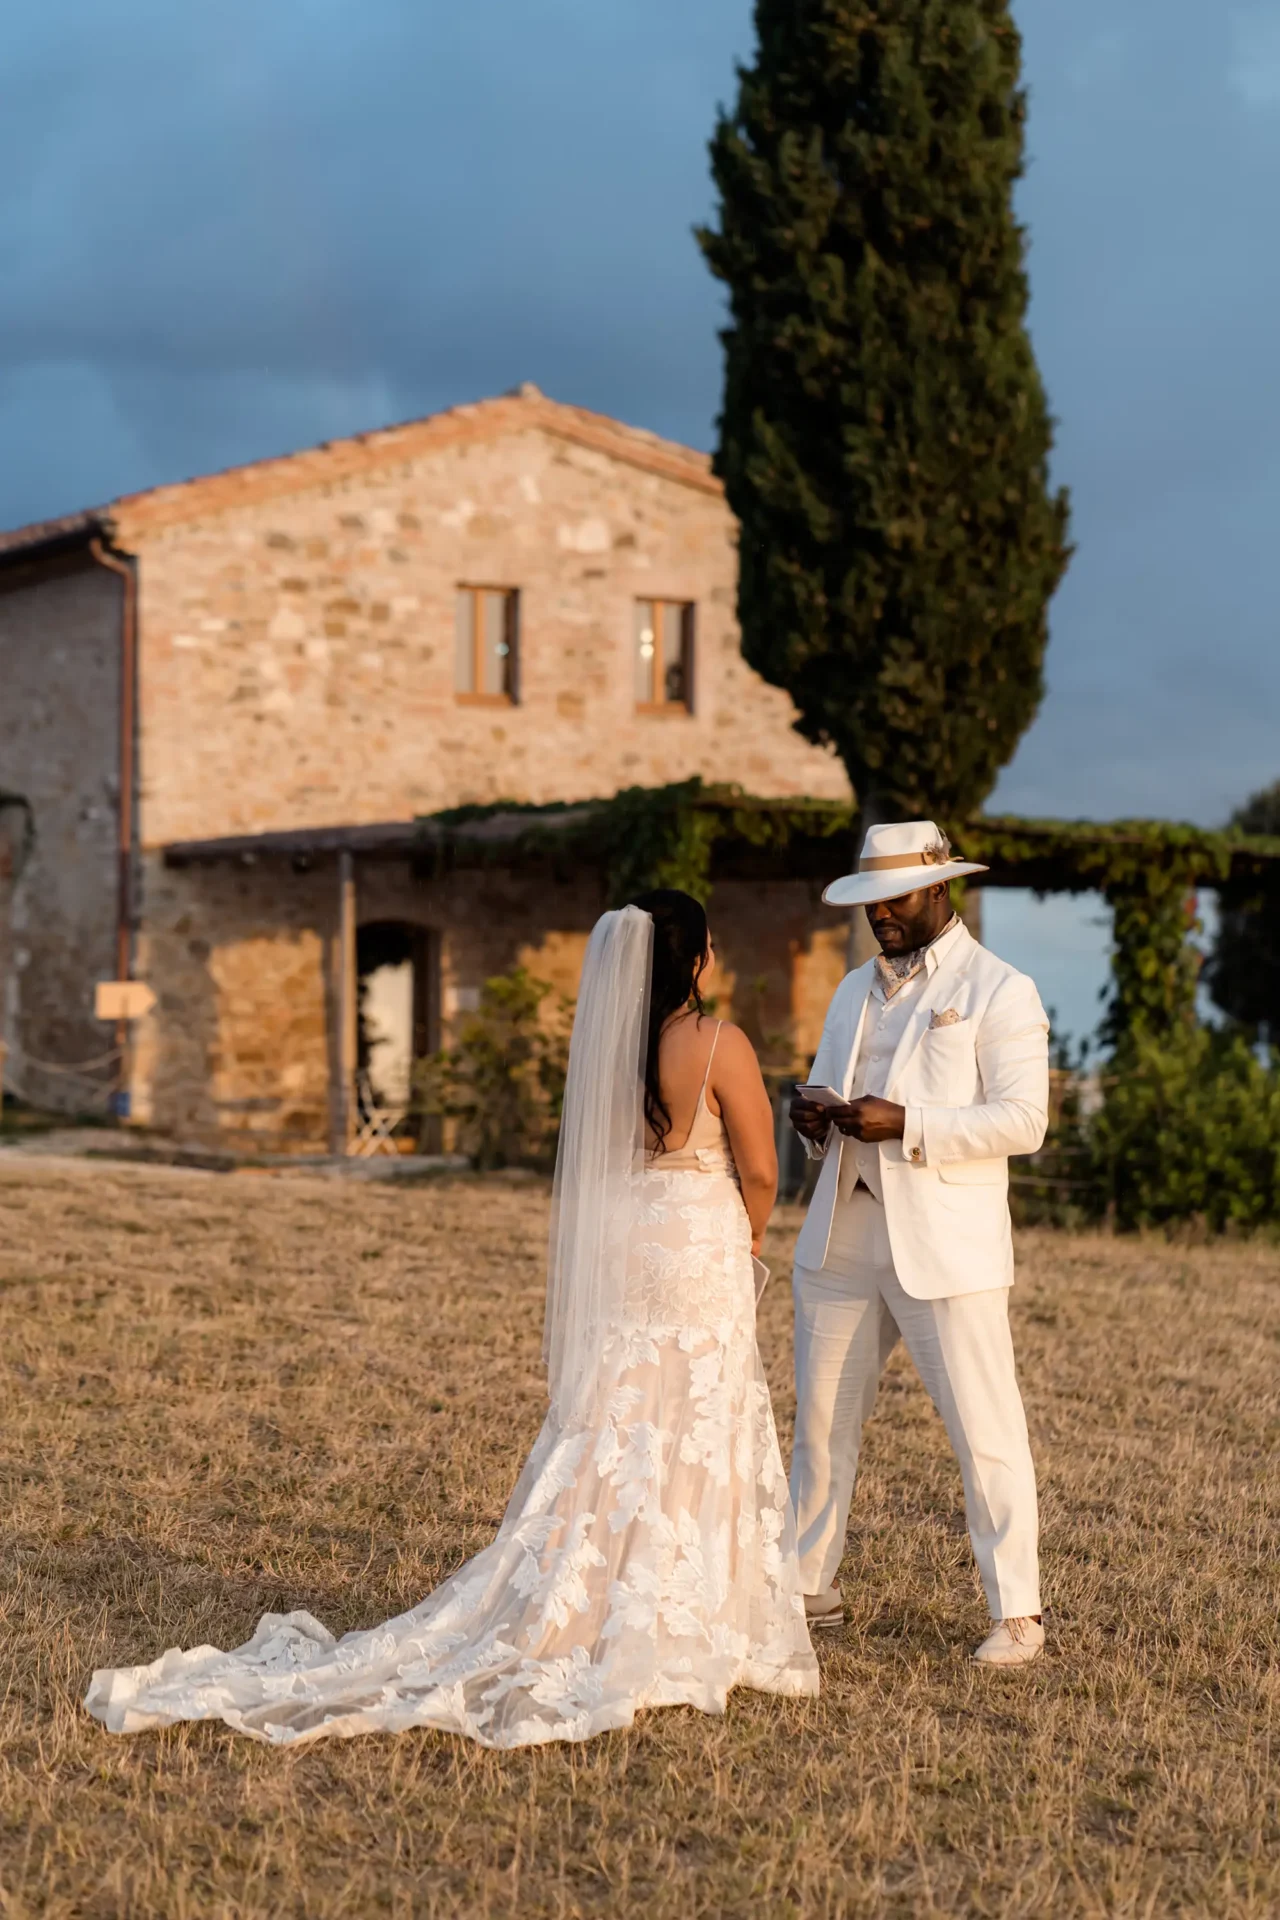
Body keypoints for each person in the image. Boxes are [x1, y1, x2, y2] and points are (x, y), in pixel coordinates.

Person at [86, 890, 816, 1747]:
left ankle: (589, 1586)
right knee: (700, 1405)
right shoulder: (718, 1043)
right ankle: (693, 1606)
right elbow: (762, 1167)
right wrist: (755, 1230)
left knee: (622, 1405)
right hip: (694, 1237)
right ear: (697, 959)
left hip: (629, 1236)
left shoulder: (612, 1043)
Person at [789, 821, 1050, 1668]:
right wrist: (813, 1123)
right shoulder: (850, 989)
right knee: (822, 1420)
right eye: (869, 902)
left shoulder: (1000, 989)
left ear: (940, 889)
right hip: (844, 1225)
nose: (880, 917)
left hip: (946, 1241)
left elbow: (1025, 1121)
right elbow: (834, 1091)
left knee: (984, 1427)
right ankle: (807, 1587)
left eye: (893, 899)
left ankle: (1018, 1616)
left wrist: (909, 1124)